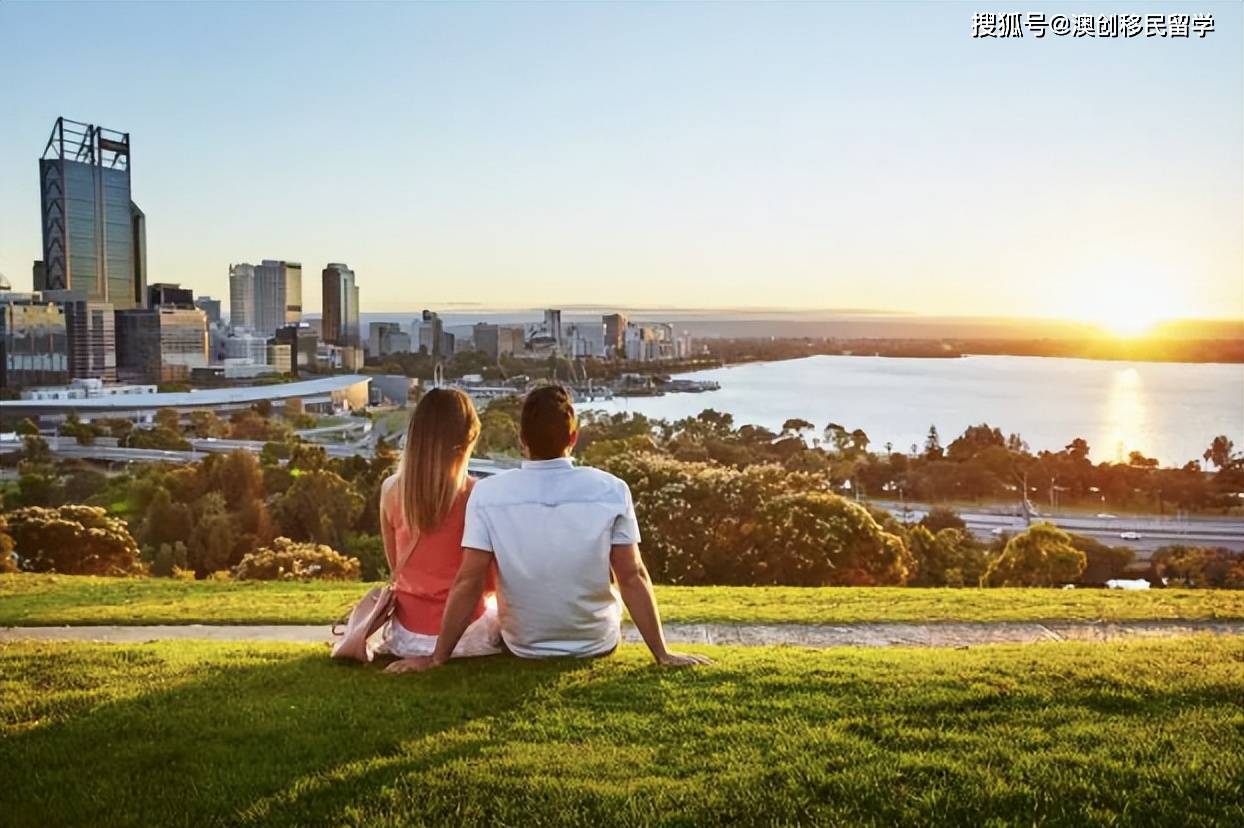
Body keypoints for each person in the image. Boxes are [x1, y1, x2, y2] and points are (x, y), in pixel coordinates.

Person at [388, 384, 709, 672]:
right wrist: (662, 653)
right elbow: (632, 575)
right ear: (573, 437)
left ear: (521, 440)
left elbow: (468, 580)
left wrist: (437, 658)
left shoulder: (488, 494)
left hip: (523, 645)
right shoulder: (612, 490)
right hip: (595, 643)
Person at [377, 388, 502, 670]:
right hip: (464, 635)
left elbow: (396, 565)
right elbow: (489, 583)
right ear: (468, 440)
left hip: (405, 636)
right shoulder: (477, 495)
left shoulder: (390, 491)